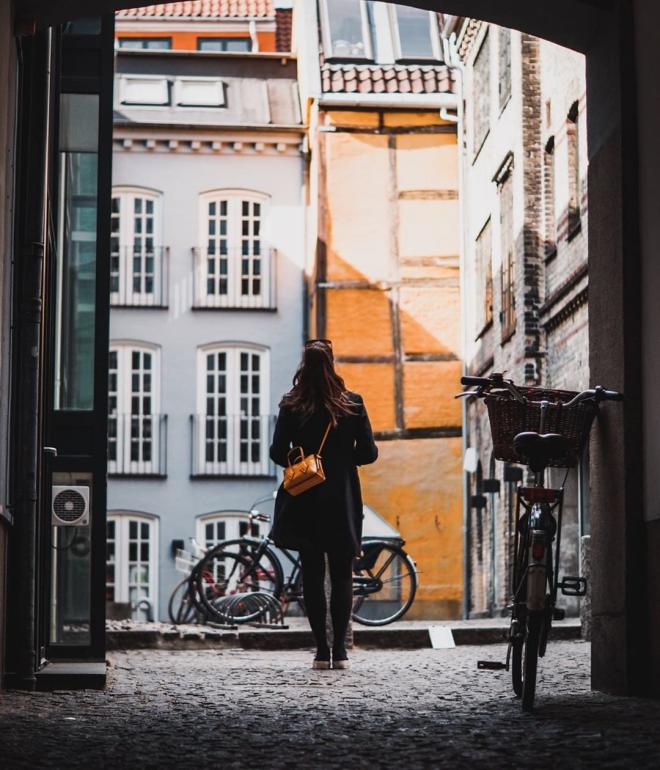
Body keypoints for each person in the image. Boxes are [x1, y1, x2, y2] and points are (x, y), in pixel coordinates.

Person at [269, 339, 378, 670]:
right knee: (343, 574)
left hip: (305, 497)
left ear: (304, 365)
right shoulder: (353, 404)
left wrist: (301, 458)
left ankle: (320, 652)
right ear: (332, 363)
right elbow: (370, 453)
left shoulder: (291, 405)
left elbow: (276, 452)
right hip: (341, 498)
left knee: (312, 575)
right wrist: (344, 459)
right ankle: (341, 653)